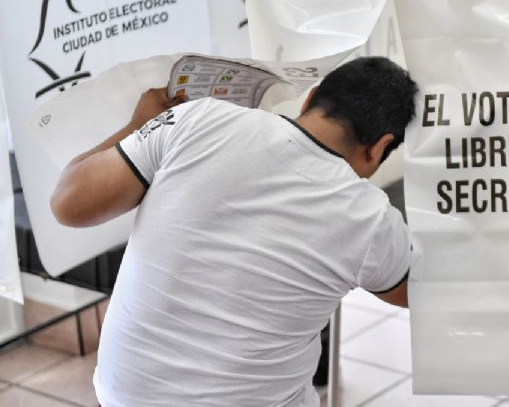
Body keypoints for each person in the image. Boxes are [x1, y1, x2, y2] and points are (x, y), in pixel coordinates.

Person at [50, 56, 419, 406]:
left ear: (310, 98)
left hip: (122, 398)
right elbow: (423, 295)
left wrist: (139, 124)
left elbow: (68, 203)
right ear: (380, 148)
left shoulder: (195, 119)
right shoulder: (369, 217)